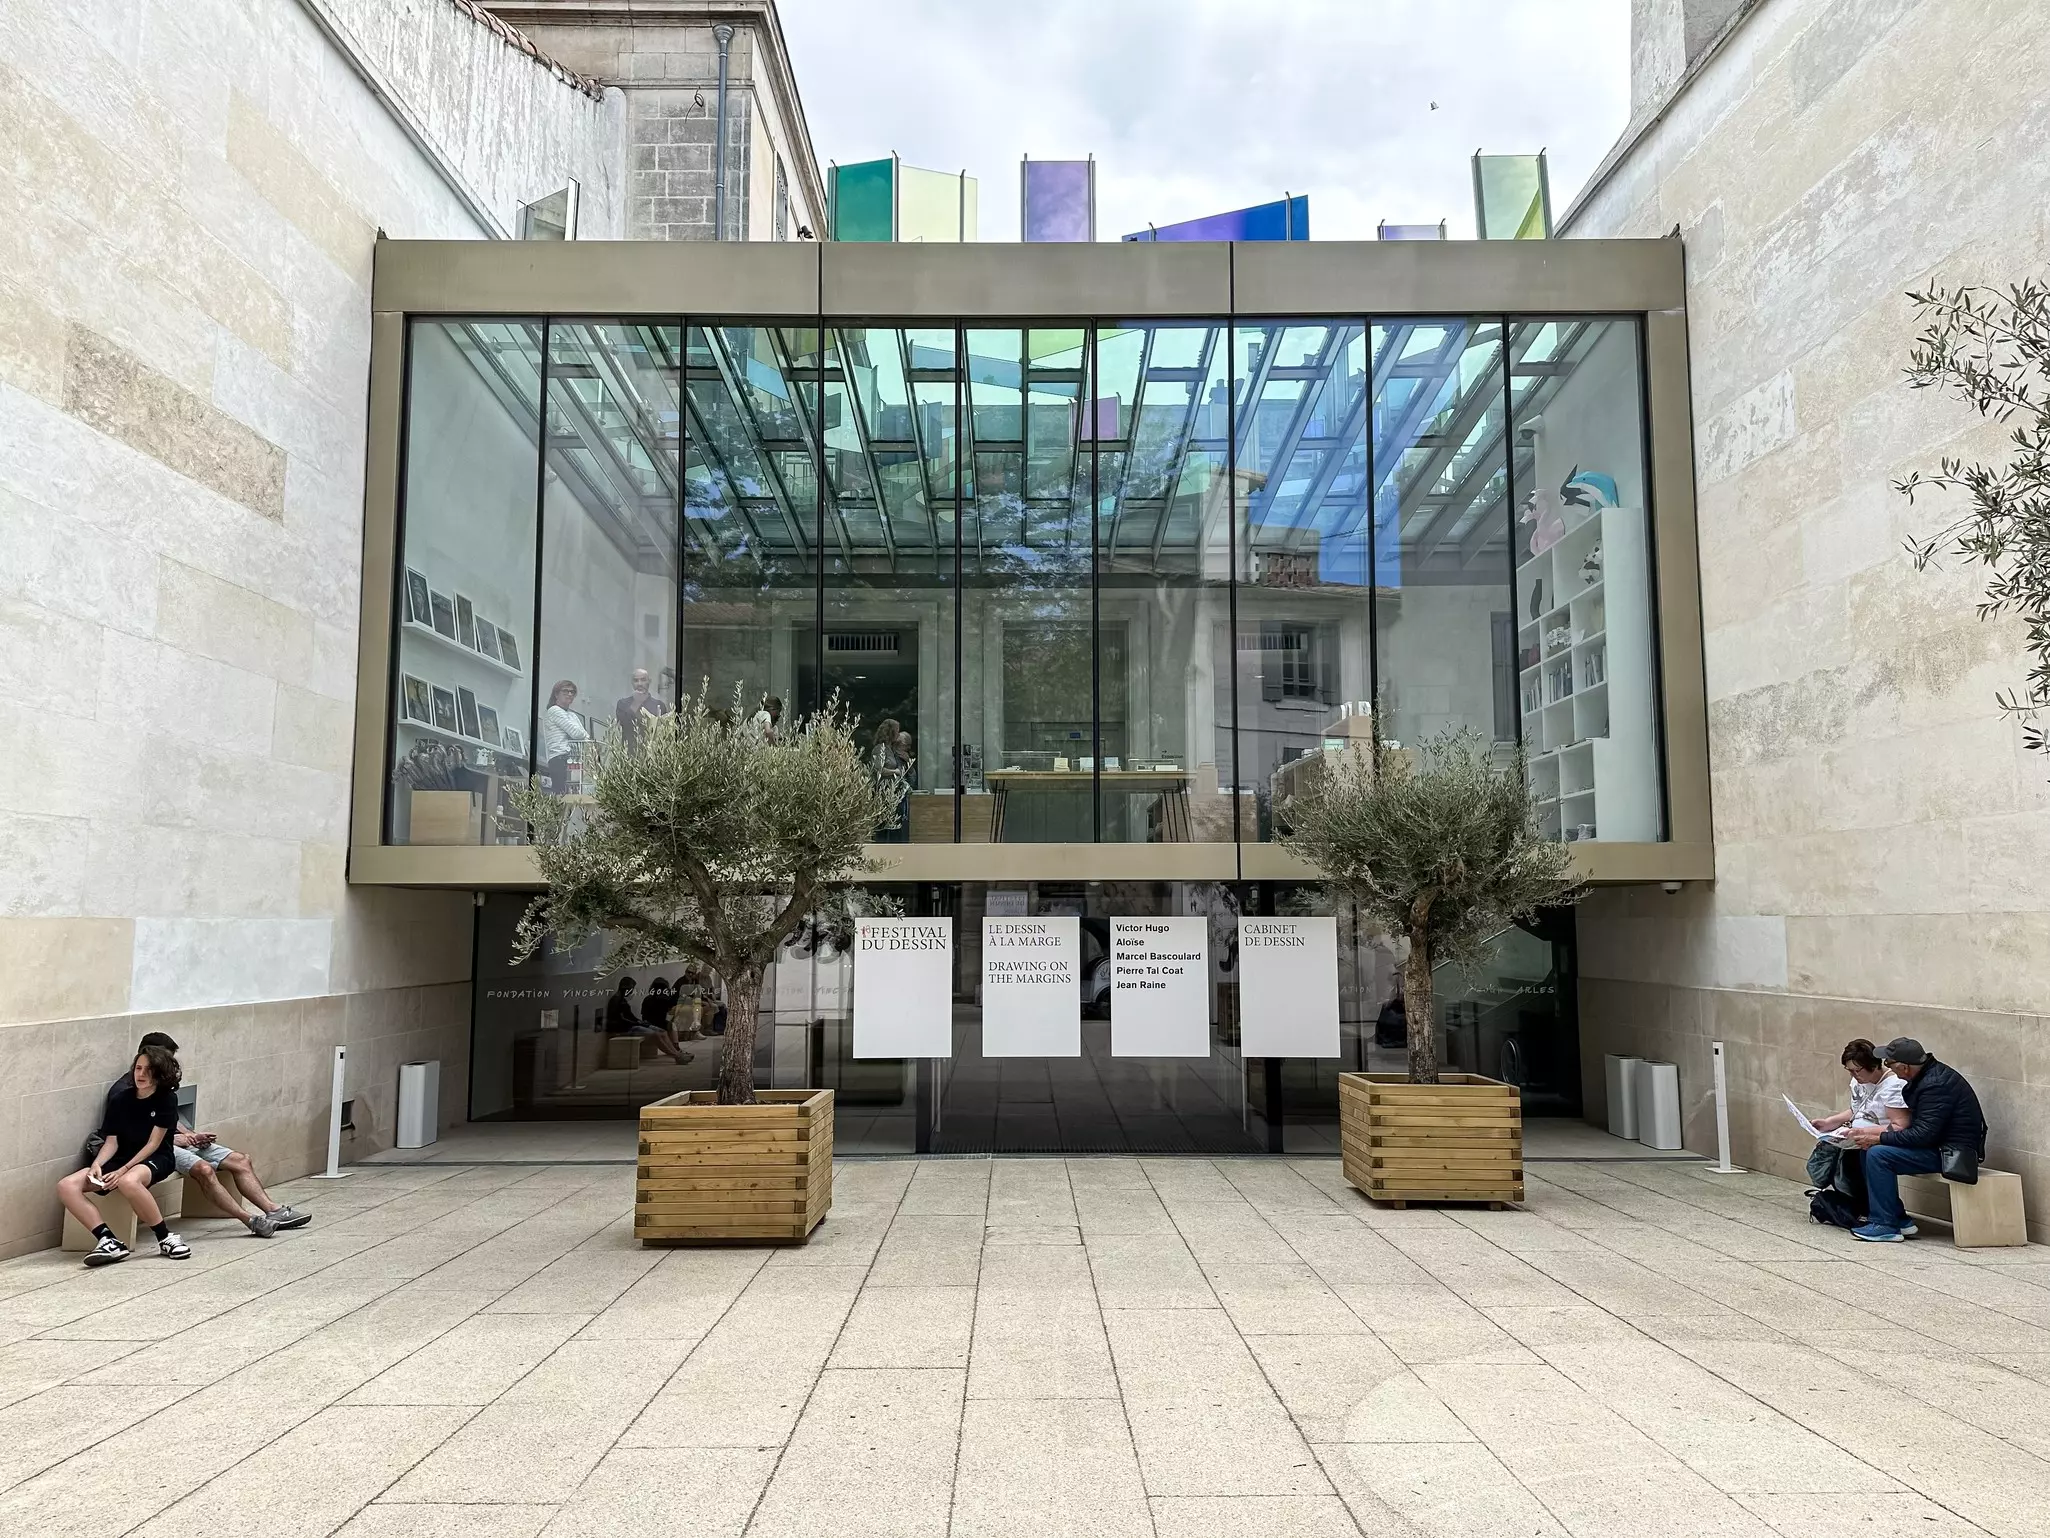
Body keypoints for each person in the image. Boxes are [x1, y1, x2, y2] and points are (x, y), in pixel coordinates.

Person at [1843, 1037, 1988, 1242]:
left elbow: (1922, 1135)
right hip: (1939, 1146)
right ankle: (1899, 1219)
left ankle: (1885, 1225)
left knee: (1878, 1154)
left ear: (1904, 1067)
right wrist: (1875, 1138)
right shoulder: (1926, 1077)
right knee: (1869, 1150)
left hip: (1951, 1153)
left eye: (1889, 1063)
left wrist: (1879, 1138)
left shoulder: (1935, 1085)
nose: (1887, 1067)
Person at [58, 1043, 189, 1265]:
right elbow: (112, 1142)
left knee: (128, 1181)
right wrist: (97, 1165)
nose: (141, 1074)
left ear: (160, 1073)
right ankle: (108, 1240)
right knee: (66, 1185)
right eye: (138, 1068)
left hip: (156, 1157)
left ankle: (166, 1237)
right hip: (122, 1159)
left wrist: (122, 1171)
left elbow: (153, 1143)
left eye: (148, 1070)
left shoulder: (166, 1099)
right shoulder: (120, 1099)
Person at [1804, 1039, 1910, 1214]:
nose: (1854, 1075)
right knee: (1840, 1160)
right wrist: (1829, 1122)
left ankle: (1886, 1213)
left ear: (1873, 1066)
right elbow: (1857, 1110)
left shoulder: (1893, 1085)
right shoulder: (1859, 1082)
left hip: (1881, 1137)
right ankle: (1859, 1207)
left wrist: (1861, 1131)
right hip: (1856, 1137)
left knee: (1866, 1154)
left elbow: (1899, 1125)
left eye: (1857, 1070)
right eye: (1849, 1071)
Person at [602, 976, 690, 1065]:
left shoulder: (622, 999)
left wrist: (640, 1022)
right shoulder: (616, 1000)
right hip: (625, 1029)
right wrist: (637, 1023)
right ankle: (676, 1056)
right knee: (656, 1035)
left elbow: (630, 1016)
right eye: (631, 989)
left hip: (632, 1026)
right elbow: (621, 1019)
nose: (632, 991)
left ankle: (677, 1052)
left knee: (662, 1032)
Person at [540, 679, 592, 793]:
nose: (569, 694)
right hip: (559, 758)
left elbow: (586, 737)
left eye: (572, 692)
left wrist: (583, 735)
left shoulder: (572, 715)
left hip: (572, 758)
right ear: (556, 694)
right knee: (562, 795)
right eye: (565, 691)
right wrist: (582, 735)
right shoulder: (554, 710)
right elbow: (576, 733)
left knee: (574, 793)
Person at [615, 668, 670, 751]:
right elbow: (623, 724)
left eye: (643, 680)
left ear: (649, 681)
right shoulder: (623, 704)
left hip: (652, 753)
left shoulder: (658, 705)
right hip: (629, 753)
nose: (639, 684)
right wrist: (636, 702)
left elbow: (663, 732)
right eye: (636, 680)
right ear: (632, 683)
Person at [871, 719, 908, 842]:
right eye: (897, 731)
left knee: (894, 825)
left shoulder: (891, 749)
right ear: (890, 732)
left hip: (892, 792)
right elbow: (878, 769)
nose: (898, 734)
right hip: (883, 792)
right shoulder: (879, 749)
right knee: (883, 825)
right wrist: (895, 771)